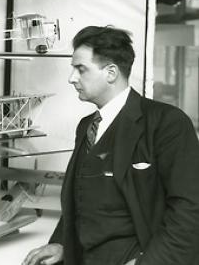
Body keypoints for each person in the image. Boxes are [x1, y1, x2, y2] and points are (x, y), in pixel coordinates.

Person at [22, 26, 199, 265]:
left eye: (80, 69)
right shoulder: (86, 126)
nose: (71, 78)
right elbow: (80, 198)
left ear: (111, 73)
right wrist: (62, 242)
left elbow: (188, 209)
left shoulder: (167, 124)